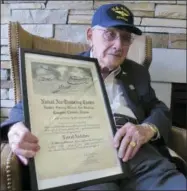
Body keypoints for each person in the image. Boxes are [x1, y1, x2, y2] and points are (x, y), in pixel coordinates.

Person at [1, 3, 186, 191]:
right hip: (87, 159)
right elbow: (23, 107)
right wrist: (15, 128)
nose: (118, 45)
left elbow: (159, 108)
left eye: (125, 38)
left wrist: (147, 128)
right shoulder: (61, 68)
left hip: (139, 155)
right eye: (110, 34)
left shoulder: (137, 72)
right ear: (90, 36)